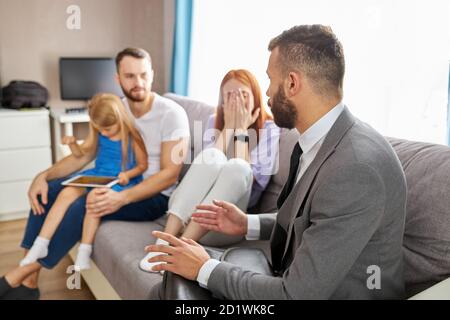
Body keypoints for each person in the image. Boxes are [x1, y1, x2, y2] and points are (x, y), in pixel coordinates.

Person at [146, 25, 407, 300]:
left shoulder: (355, 169)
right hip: (294, 279)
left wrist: (205, 268)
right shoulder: (319, 141)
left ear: (292, 83)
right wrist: (248, 224)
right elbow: (314, 221)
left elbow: (295, 295)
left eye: (270, 79)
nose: (267, 92)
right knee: (166, 288)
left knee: (173, 294)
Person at [0, 47, 190, 300]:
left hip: (152, 196)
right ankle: (30, 282)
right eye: (130, 76)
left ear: (152, 74)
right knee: (52, 190)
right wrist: (42, 177)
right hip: (114, 181)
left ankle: (17, 275)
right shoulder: (115, 108)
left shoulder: (171, 114)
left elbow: (169, 175)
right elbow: (84, 154)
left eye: (143, 75)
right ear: (118, 78)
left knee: (82, 203)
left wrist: (122, 197)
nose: (138, 83)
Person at [139, 69, 280, 272]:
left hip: (223, 224)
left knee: (238, 166)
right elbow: (203, 169)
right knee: (213, 155)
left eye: (243, 95)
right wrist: (228, 128)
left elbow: (247, 183)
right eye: (229, 95)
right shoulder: (212, 121)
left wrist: (241, 130)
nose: (236, 101)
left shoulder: (271, 129)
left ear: (255, 98)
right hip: (184, 211)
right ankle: (164, 243)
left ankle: (178, 249)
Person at [20, 93, 148, 271]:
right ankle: (41, 244)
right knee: (65, 193)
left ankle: (84, 251)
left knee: (93, 199)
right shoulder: (100, 132)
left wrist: (128, 173)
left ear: (120, 118)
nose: (103, 133)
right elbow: (82, 153)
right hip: (98, 175)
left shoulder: (133, 137)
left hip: (119, 180)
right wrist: (73, 144)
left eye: (107, 129)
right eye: (100, 129)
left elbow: (143, 165)